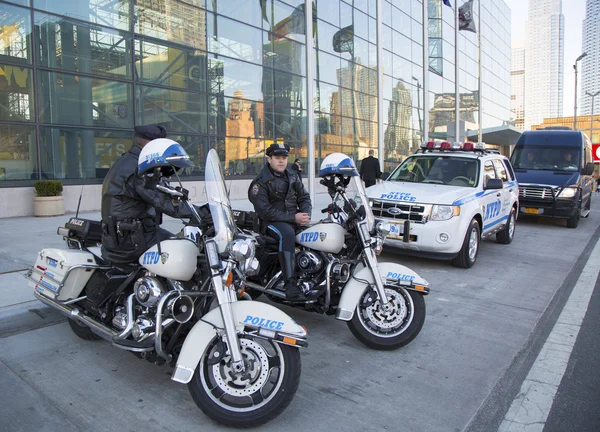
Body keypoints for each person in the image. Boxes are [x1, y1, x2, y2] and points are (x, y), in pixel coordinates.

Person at [101, 125, 194, 264]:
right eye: (157, 143)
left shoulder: (129, 161)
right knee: (187, 251)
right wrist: (203, 213)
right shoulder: (140, 168)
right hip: (132, 241)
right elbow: (162, 200)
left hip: (126, 236)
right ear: (144, 142)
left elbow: (164, 193)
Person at [248, 143, 314, 301]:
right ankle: (290, 285)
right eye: (277, 157)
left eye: (284, 157)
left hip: (292, 219)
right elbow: (265, 211)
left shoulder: (292, 176)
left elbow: (304, 197)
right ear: (269, 159)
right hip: (270, 222)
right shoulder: (260, 182)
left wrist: (305, 214)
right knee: (287, 233)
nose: (281, 161)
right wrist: (293, 218)